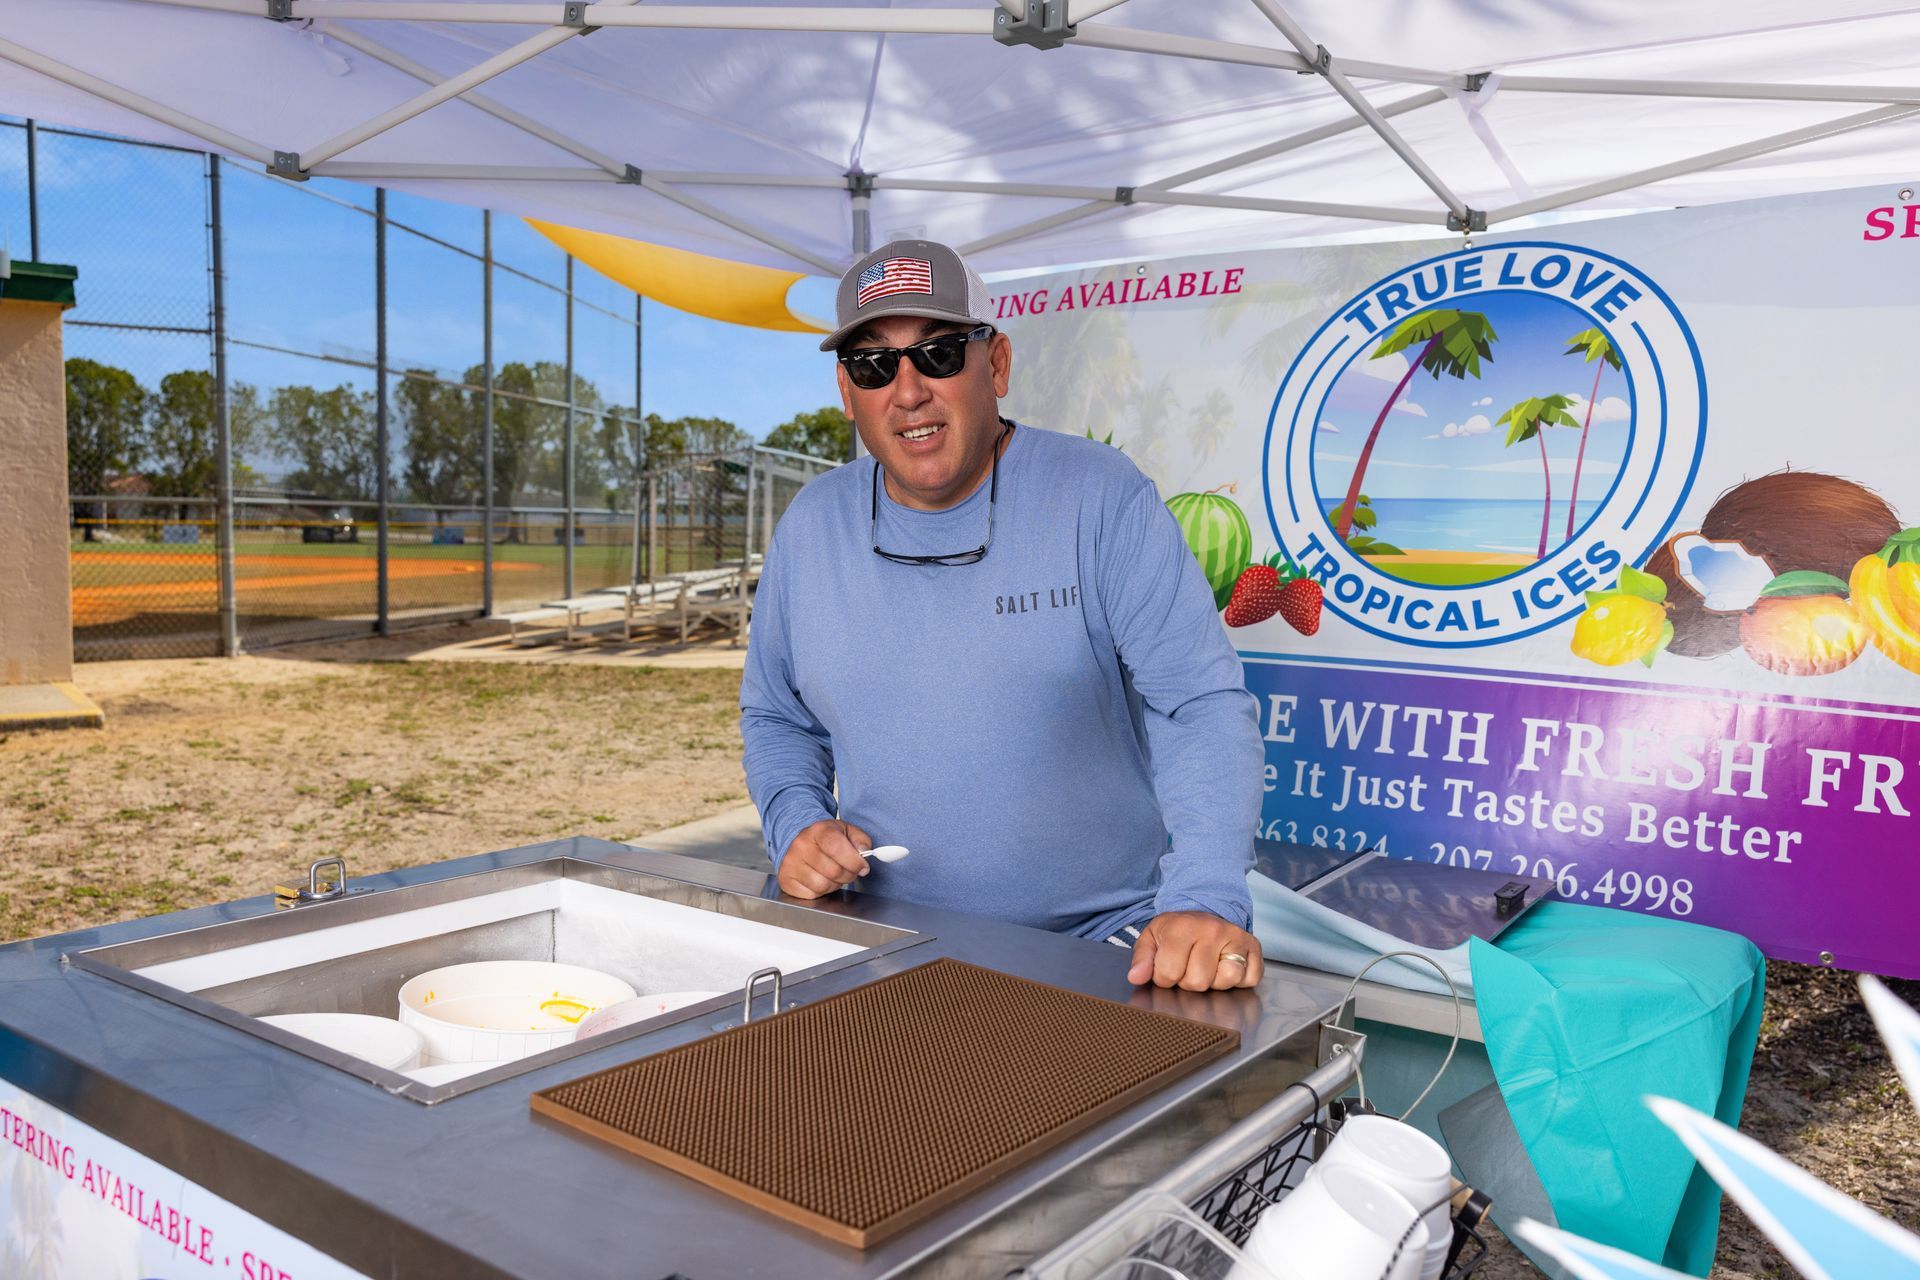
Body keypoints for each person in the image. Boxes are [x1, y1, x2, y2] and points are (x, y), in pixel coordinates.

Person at [739, 239, 1265, 991]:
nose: (908, 390)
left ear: (997, 365)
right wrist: (796, 823)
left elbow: (1199, 703)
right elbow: (776, 716)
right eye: (873, 365)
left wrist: (1205, 897)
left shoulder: (1100, 495)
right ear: (847, 392)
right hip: (880, 938)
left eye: (940, 354)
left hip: (1099, 942)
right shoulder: (810, 525)